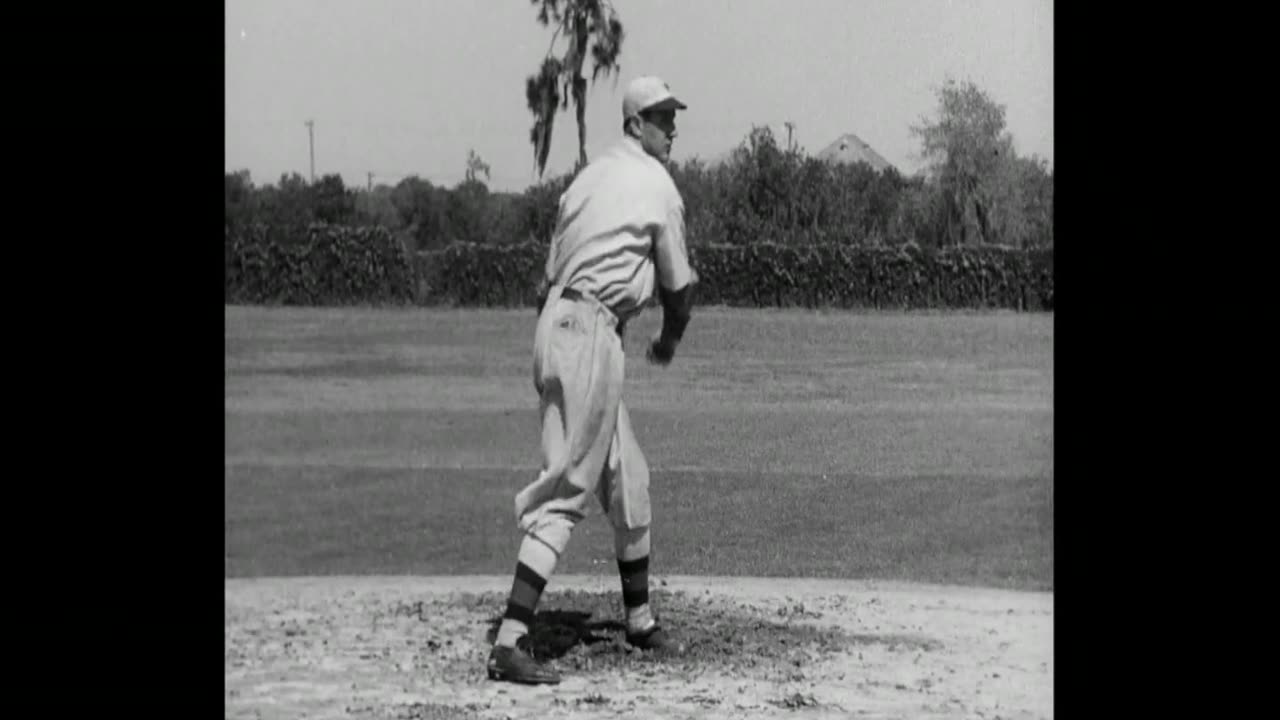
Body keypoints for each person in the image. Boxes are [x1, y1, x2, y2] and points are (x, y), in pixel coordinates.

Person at [485, 75, 698, 685]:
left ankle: (640, 620)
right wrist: (668, 341)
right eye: (660, 116)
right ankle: (510, 640)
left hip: (557, 325)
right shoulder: (656, 184)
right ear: (635, 124)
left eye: (672, 115)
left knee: (629, 475)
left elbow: (550, 272)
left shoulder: (586, 179)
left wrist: (562, 344)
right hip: (591, 335)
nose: (671, 126)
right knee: (567, 486)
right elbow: (680, 289)